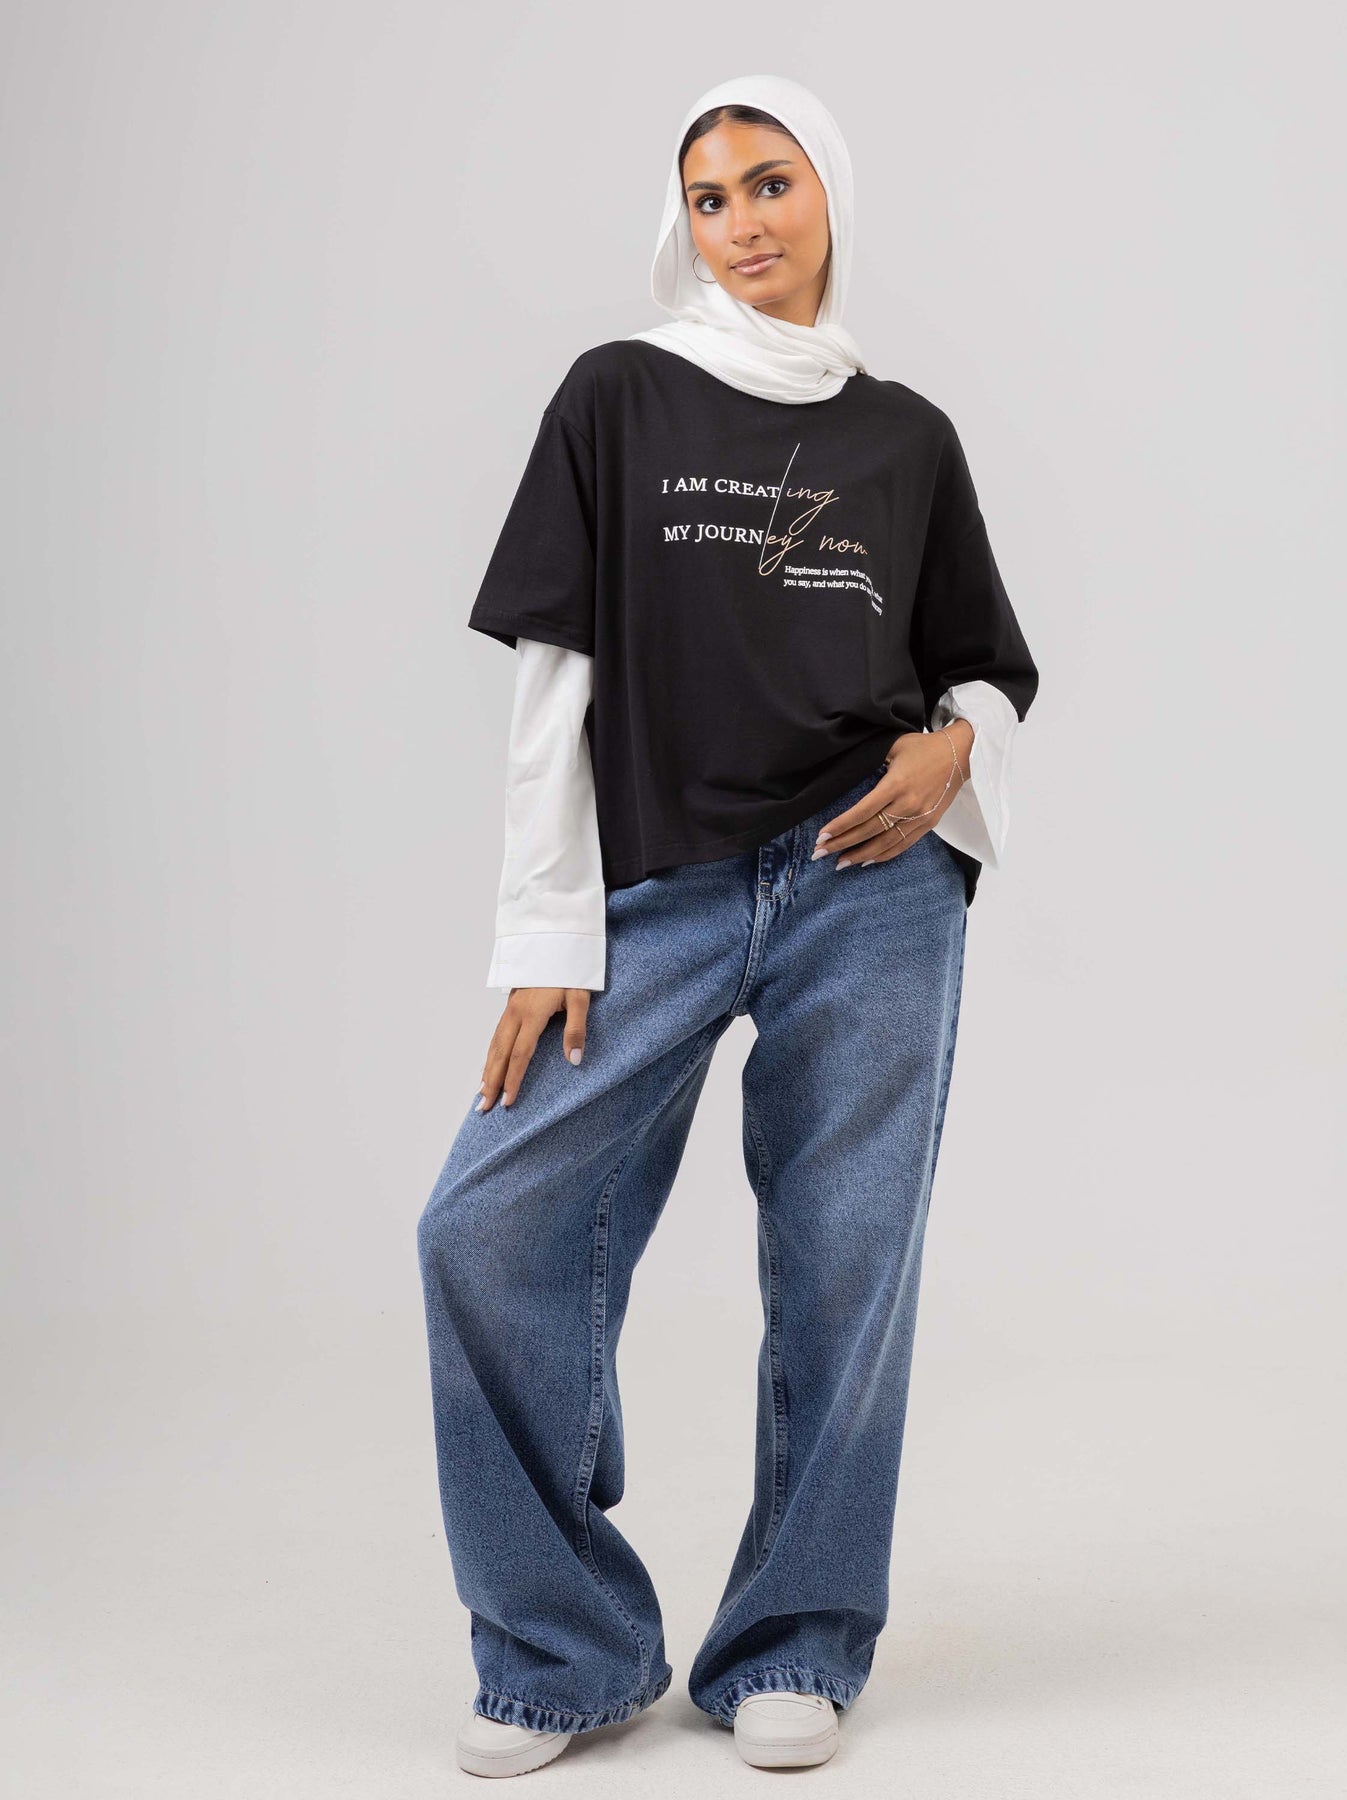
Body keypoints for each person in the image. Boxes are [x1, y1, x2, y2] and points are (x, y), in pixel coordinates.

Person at [416, 72, 1039, 1778]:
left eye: (772, 183)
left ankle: (797, 1639)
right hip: (663, 887)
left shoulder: (904, 435)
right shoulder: (618, 394)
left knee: (847, 1262)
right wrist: (545, 933)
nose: (743, 222)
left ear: (829, 192)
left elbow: (984, 657)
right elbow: (554, 679)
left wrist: (956, 742)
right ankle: (562, 1651)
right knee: (483, 1226)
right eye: (709, 196)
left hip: (874, 886)